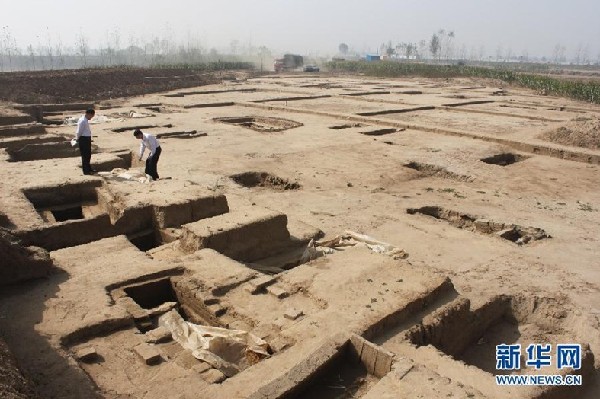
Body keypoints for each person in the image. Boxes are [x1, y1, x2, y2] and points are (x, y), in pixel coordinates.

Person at [74, 108, 96, 175]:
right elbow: (79, 131)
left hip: (86, 138)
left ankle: (89, 169)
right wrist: (77, 138)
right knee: (85, 155)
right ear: (88, 114)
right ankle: (86, 171)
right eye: (91, 116)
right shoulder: (83, 121)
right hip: (83, 139)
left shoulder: (85, 120)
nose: (91, 118)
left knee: (88, 155)